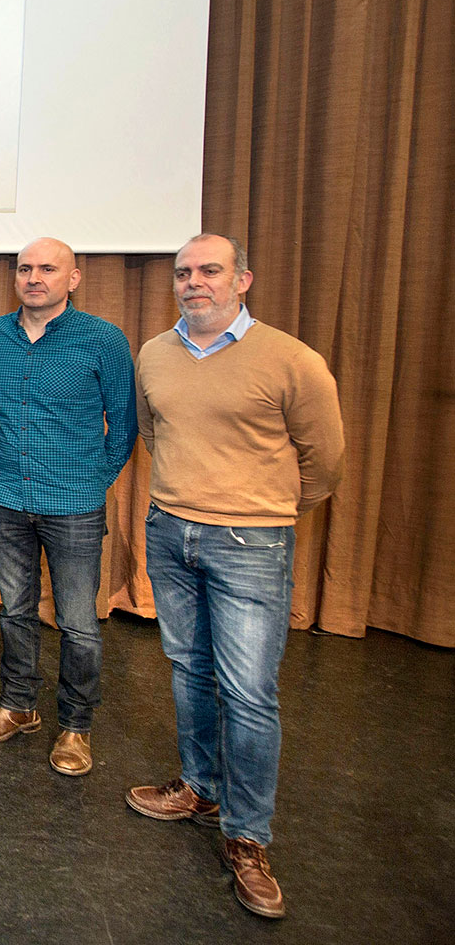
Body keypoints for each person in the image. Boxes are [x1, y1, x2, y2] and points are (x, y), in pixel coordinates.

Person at [126, 234, 344, 919]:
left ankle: (247, 838)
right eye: (184, 273)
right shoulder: (156, 354)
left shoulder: (290, 359)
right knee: (189, 669)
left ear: (242, 279)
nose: (195, 282)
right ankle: (200, 786)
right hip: (169, 529)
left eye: (210, 271)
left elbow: (325, 461)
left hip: (252, 541)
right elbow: (154, 433)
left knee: (249, 692)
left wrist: (264, 508)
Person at [0, 237, 137, 776]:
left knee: (78, 623)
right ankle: (19, 706)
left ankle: (76, 727)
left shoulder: (103, 340)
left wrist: (93, 481)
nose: (33, 277)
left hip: (75, 507)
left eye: (47, 268)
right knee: (15, 611)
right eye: (24, 269)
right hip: (6, 499)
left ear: (73, 278)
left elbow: (125, 424)